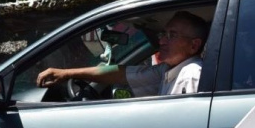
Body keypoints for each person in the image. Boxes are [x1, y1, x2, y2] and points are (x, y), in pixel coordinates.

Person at [37, 11, 209, 97]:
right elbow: (121, 74)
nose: (162, 41)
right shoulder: (167, 71)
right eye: (163, 34)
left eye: (172, 35)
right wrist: (66, 73)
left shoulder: (191, 75)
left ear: (194, 45)